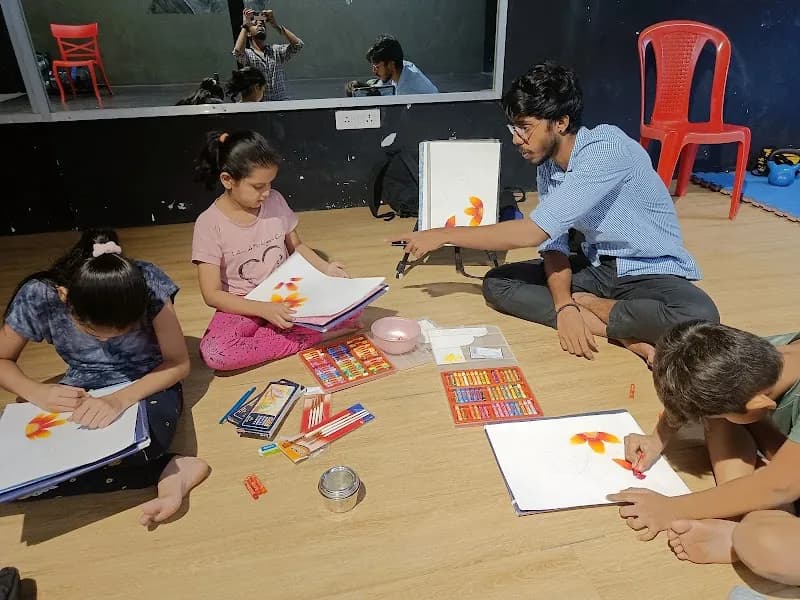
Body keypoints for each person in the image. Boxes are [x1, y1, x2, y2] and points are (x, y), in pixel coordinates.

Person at [396, 63, 719, 364]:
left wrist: (443, 234)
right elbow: (554, 243)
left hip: (647, 270)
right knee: (497, 284)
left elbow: (533, 232)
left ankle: (596, 309)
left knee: (699, 315)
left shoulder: (607, 150)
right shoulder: (549, 165)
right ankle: (624, 334)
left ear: (561, 123)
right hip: (597, 265)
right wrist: (564, 305)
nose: (516, 139)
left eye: (525, 128)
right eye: (514, 127)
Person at [0, 229, 209, 527]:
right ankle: (168, 470)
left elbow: (176, 363)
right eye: (94, 332)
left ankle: (165, 467)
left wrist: (118, 400)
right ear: (66, 298)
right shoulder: (41, 295)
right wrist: (36, 391)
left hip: (145, 383)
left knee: (145, 445)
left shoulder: (147, 283)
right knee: (16, 477)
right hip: (80, 388)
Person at [608, 321, 800, 586]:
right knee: (720, 414)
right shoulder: (760, 356)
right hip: (784, 469)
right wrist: (658, 438)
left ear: (759, 405)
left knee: (763, 544)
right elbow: (698, 387)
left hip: (784, 483)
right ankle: (747, 512)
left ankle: (739, 536)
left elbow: (779, 487)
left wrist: (673, 508)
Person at [192, 130, 358, 372]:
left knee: (354, 305)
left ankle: (283, 330)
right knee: (217, 353)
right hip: (243, 304)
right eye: (258, 186)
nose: (267, 193)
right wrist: (263, 310)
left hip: (287, 293)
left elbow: (297, 246)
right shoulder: (209, 224)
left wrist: (327, 269)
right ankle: (311, 335)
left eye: (270, 184)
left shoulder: (275, 201)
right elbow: (212, 294)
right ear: (227, 180)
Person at [232, 8, 303, 101]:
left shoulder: (275, 50)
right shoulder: (248, 54)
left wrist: (275, 25)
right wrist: (246, 25)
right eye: (255, 24)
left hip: (281, 105)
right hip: (262, 107)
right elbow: (237, 52)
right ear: (248, 33)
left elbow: (298, 45)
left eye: (262, 24)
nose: (260, 24)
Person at [365, 35, 438, 95]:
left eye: (377, 67)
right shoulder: (402, 66)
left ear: (391, 64)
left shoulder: (409, 91)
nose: (374, 71)